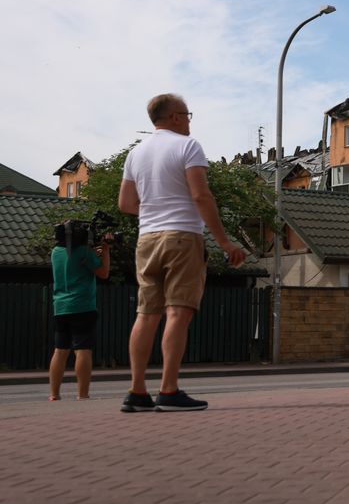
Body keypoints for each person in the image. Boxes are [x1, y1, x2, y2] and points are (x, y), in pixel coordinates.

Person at [117, 93, 247, 412]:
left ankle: (137, 392)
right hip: (182, 236)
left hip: (147, 239)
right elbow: (201, 196)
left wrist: (155, 210)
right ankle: (169, 390)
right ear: (174, 117)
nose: (189, 120)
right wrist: (225, 242)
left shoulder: (136, 154)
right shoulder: (188, 146)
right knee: (177, 312)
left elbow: (126, 204)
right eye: (187, 114)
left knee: (147, 314)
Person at [48, 225, 111, 400]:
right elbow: (104, 273)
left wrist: (93, 253)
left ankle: (54, 394)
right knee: (83, 349)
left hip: (60, 307)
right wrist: (105, 250)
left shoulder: (55, 252)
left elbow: (75, 263)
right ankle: (82, 394)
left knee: (60, 350)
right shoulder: (84, 252)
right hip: (83, 306)